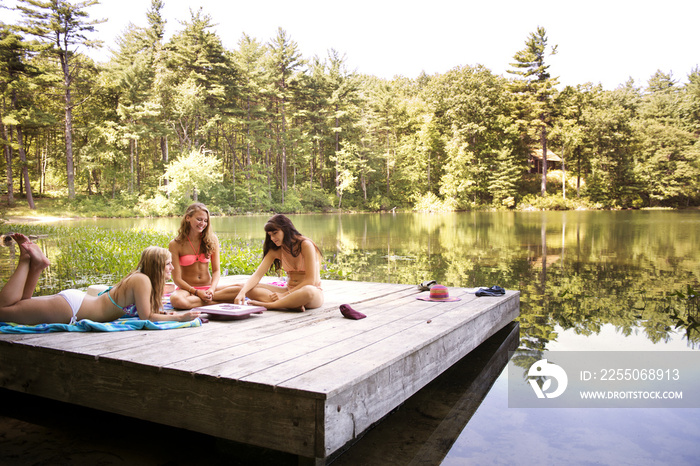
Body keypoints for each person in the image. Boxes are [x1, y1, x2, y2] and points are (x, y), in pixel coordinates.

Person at [0, 234, 200, 325]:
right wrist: (180, 317)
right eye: (167, 264)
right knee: (2, 311)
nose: (172, 267)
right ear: (156, 266)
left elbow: (147, 310)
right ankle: (26, 260)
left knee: (20, 305)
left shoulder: (140, 279)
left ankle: (35, 265)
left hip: (75, 303)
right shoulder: (142, 280)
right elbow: (147, 317)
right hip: (72, 309)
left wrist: (164, 311)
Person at [234, 214, 324, 311]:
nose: (272, 238)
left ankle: (271, 305)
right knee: (250, 289)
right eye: (270, 235)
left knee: (308, 291)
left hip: (310, 293)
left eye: (275, 233)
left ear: (285, 230)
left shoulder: (306, 245)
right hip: (288, 290)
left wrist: (284, 295)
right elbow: (257, 275)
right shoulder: (277, 250)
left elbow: (310, 281)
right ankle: (291, 304)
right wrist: (242, 292)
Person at [168, 203, 239, 309]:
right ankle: (222, 300)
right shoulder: (175, 244)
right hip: (187, 290)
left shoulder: (211, 240)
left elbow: (216, 271)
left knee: (242, 289)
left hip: (209, 288)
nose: (203, 223)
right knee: (176, 300)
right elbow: (177, 279)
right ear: (188, 218)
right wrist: (197, 292)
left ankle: (202, 300)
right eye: (199, 219)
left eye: (205, 221)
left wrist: (212, 289)